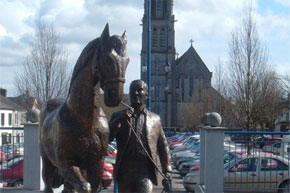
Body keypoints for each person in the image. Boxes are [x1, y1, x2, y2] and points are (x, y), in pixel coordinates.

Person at [109, 79, 172, 193]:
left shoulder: (155, 120)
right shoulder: (118, 116)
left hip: (145, 172)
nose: (136, 93)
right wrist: (119, 120)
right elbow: (106, 139)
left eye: (140, 90)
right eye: (133, 90)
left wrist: (167, 170)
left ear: (146, 95)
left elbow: (163, 146)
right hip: (125, 172)